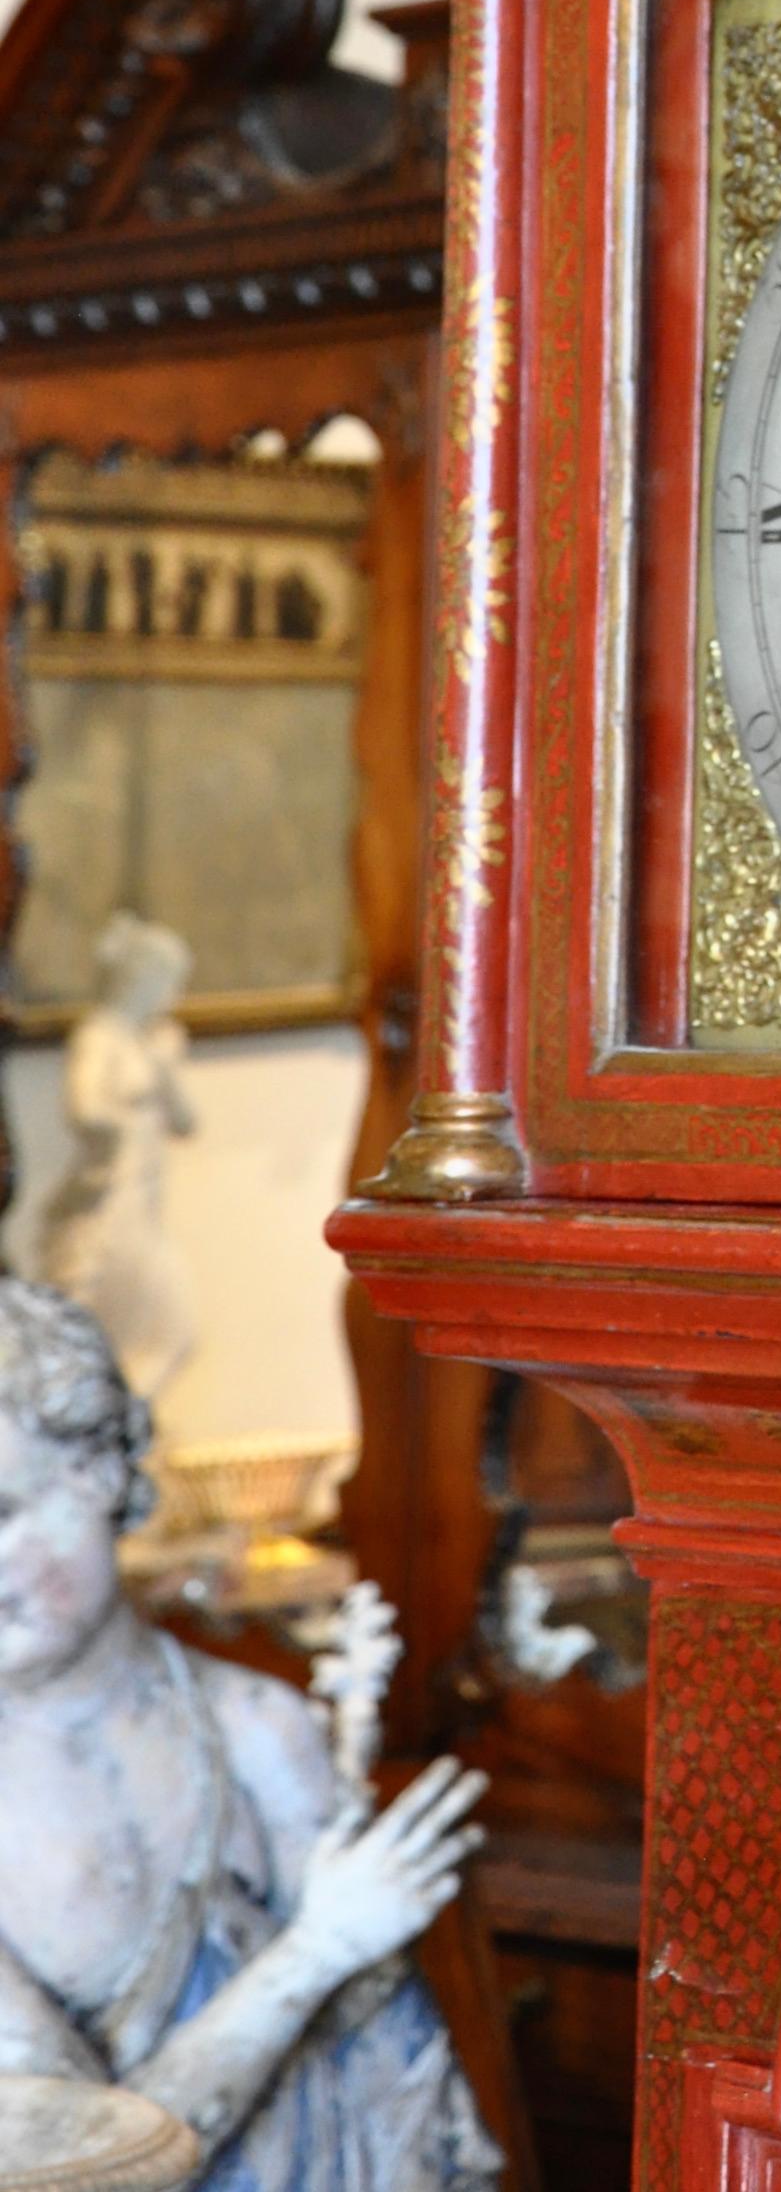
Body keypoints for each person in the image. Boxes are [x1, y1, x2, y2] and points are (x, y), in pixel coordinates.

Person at [0, 1281, 495, 2187]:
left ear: (103, 1474)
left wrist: (358, 1963)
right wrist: (317, 1952)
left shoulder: (256, 1733)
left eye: (1, 1512)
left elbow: (400, 2113)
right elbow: (85, 2171)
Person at [36, 917, 199, 1404]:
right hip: (110, 1202)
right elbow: (85, 1106)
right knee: (91, 1328)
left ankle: (119, 1424)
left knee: (174, 1328)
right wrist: (124, 1118)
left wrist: (165, 1069)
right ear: (144, 979)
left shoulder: (147, 1042)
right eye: (169, 983)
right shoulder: (98, 1036)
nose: (172, 997)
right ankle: (103, 1429)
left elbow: (188, 1123)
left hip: (144, 1203)